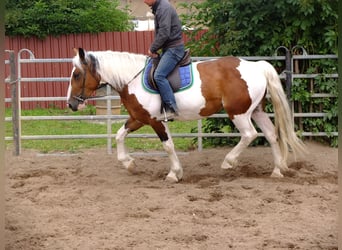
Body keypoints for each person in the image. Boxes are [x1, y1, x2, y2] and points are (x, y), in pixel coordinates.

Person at [144, 0, 185, 121]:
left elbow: (164, 32)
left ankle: (172, 108)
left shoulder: (163, 8)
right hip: (169, 48)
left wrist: (153, 48)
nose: (143, 1)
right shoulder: (160, 7)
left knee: (159, 75)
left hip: (174, 49)